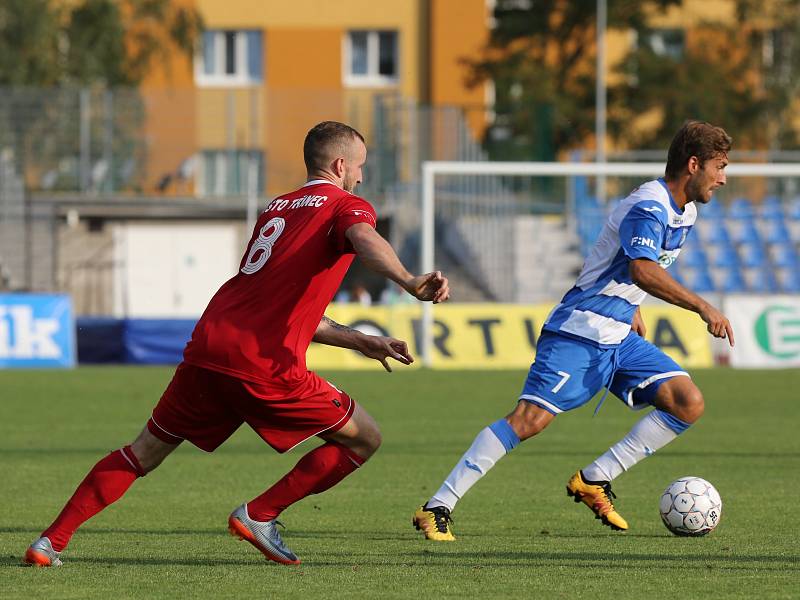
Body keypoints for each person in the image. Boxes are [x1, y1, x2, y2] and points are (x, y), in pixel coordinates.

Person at [24, 121, 450, 567]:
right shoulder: (347, 206)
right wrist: (408, 279)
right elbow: (364, 239)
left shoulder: (278, 208)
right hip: (264, 361)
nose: (362, 177)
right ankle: (260, 514)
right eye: (360, 167)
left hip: (210, 346)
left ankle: (50, 541)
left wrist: (359, 340)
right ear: (341, 165)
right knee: (364, 438)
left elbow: (278, 305)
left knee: (142, 453)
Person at [412, 120, 733, 541]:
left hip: (618, 334)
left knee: (686, 401)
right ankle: (436, 506)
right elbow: (640, 268)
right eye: (720, 167)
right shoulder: (649, 207)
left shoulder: (685, 211)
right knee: (529, 420)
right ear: (694, 164)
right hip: (580, 331)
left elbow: (623, 264)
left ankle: (594, 479)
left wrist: (631, 306)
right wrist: (702, 306)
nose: (723, 178)